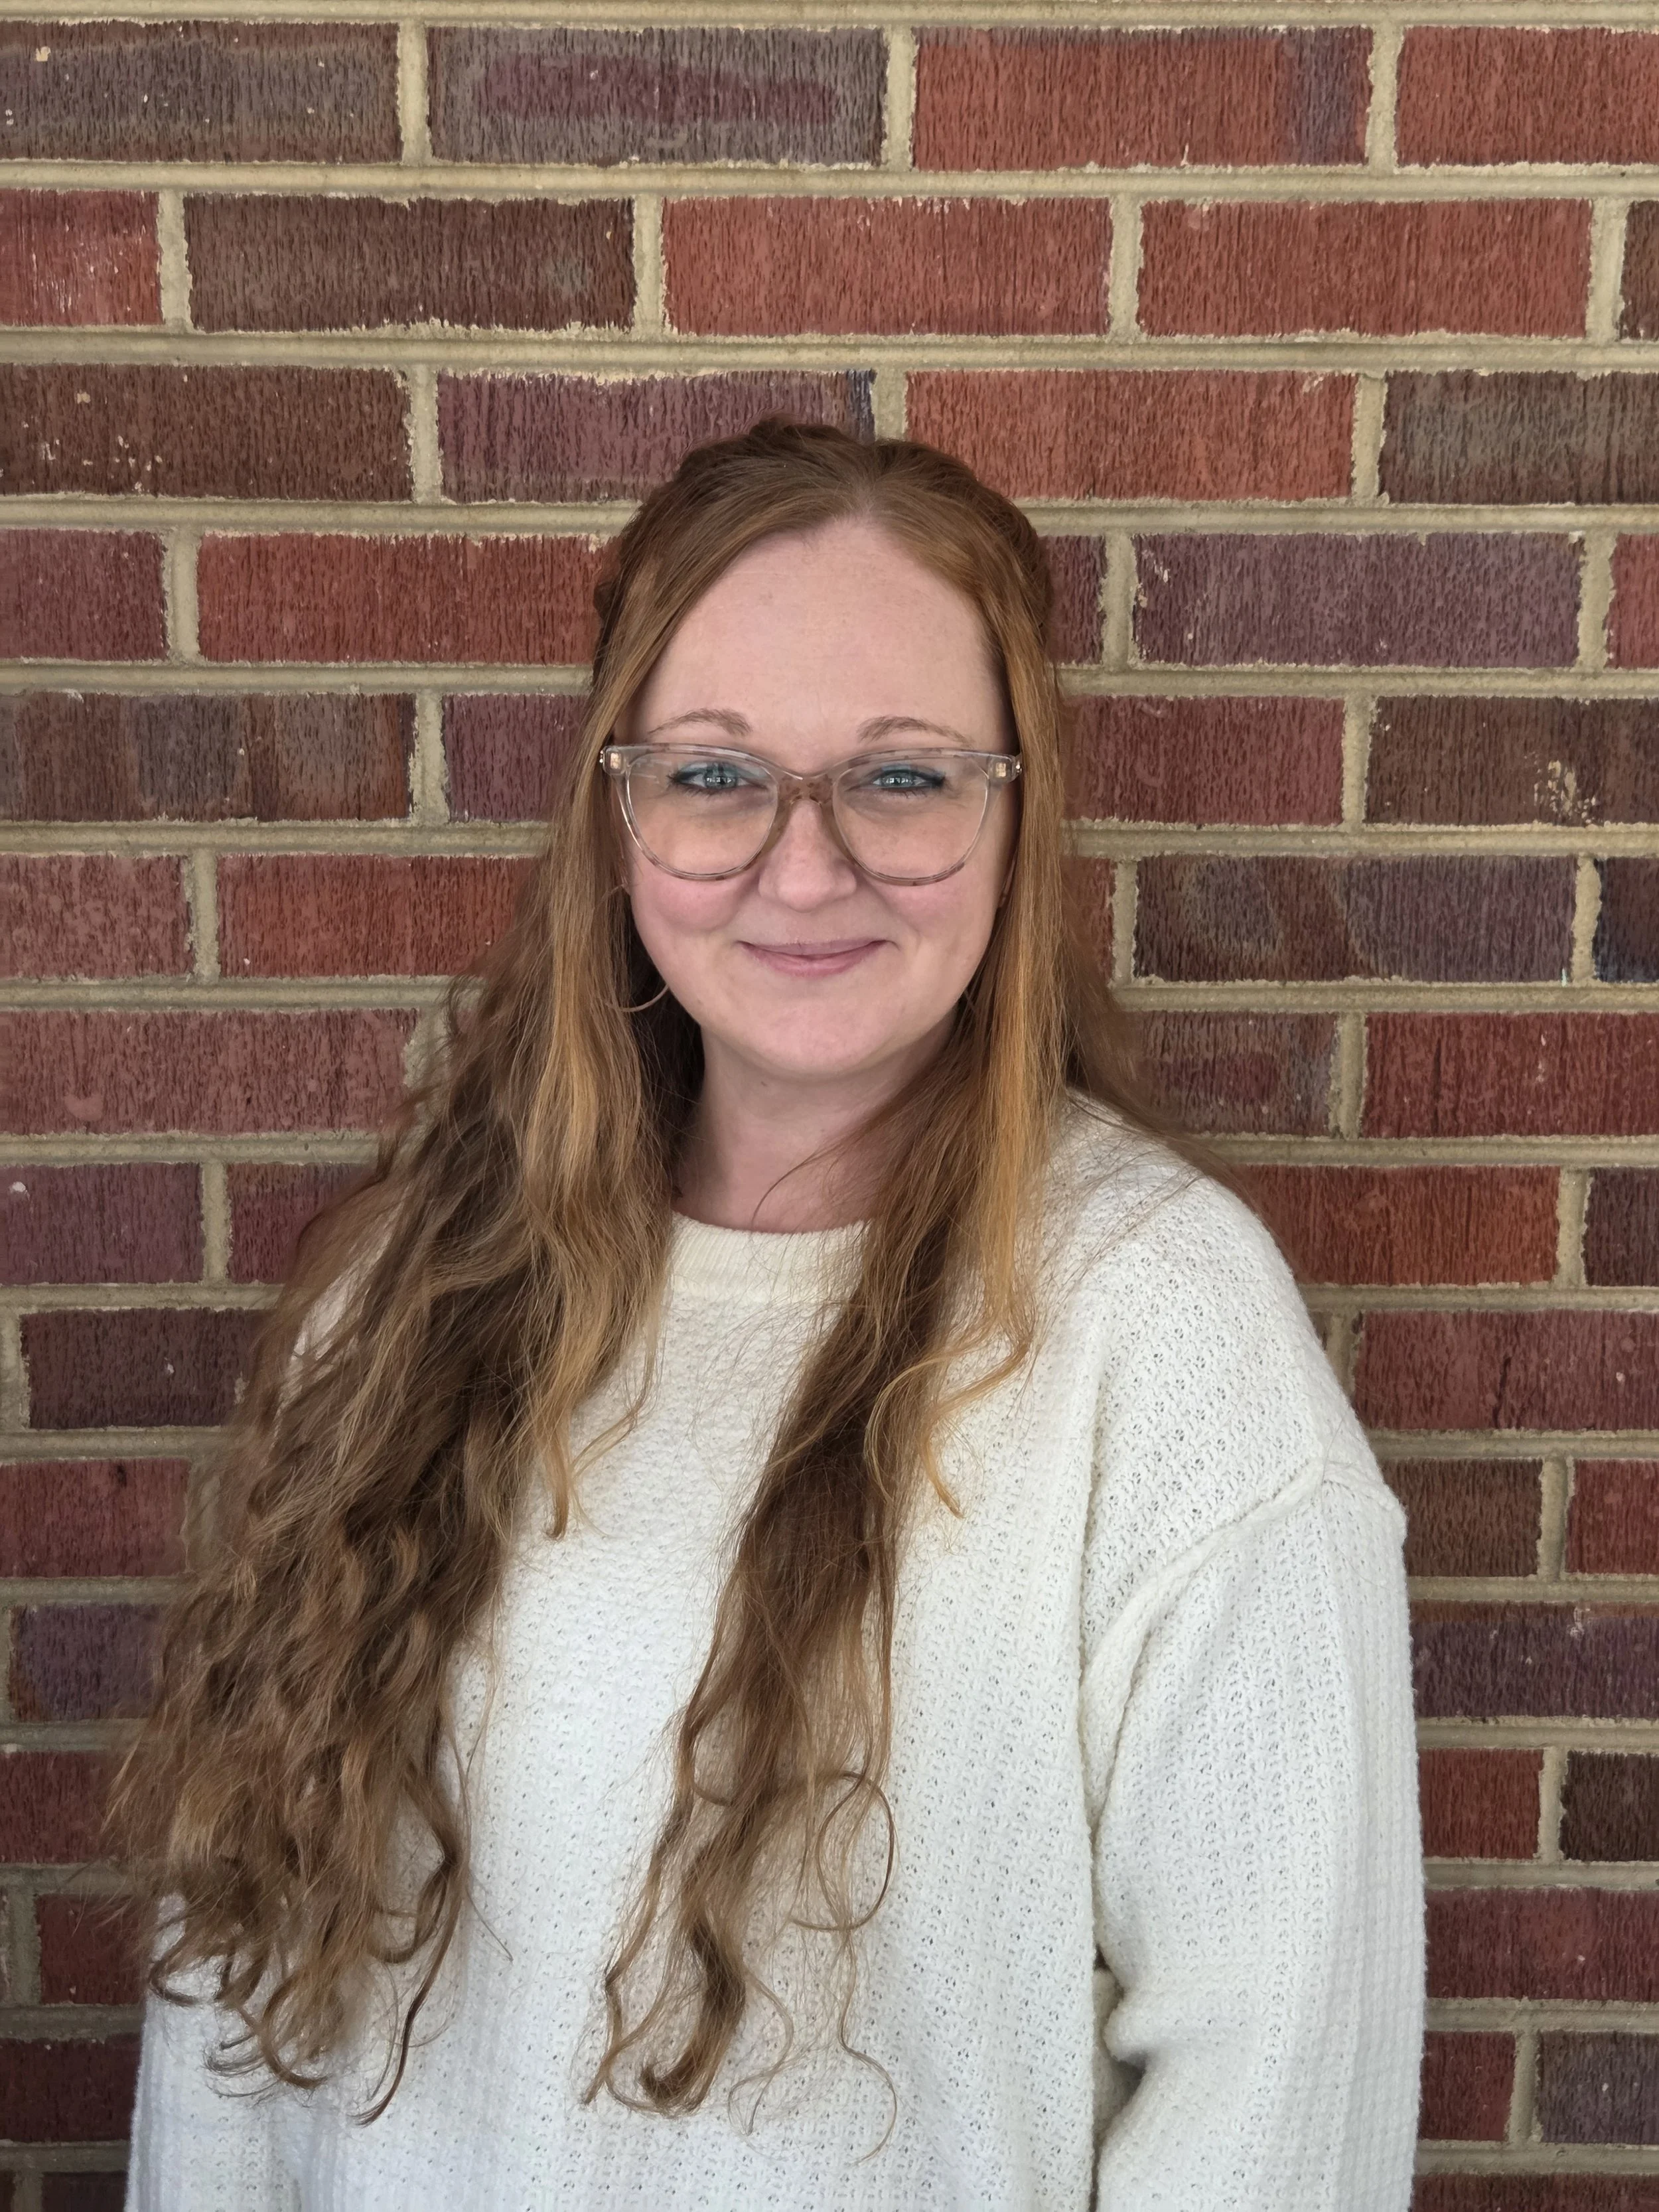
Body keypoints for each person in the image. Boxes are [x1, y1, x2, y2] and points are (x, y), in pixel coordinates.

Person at [118, 419, 1424, 2210]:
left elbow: (1277, 2091)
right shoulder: (407, 1298)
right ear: (620, 807)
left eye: (900, 780)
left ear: (1012, 806)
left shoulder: (1153, 1330)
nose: (803, 871)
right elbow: (233, 2014)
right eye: (719, 776)